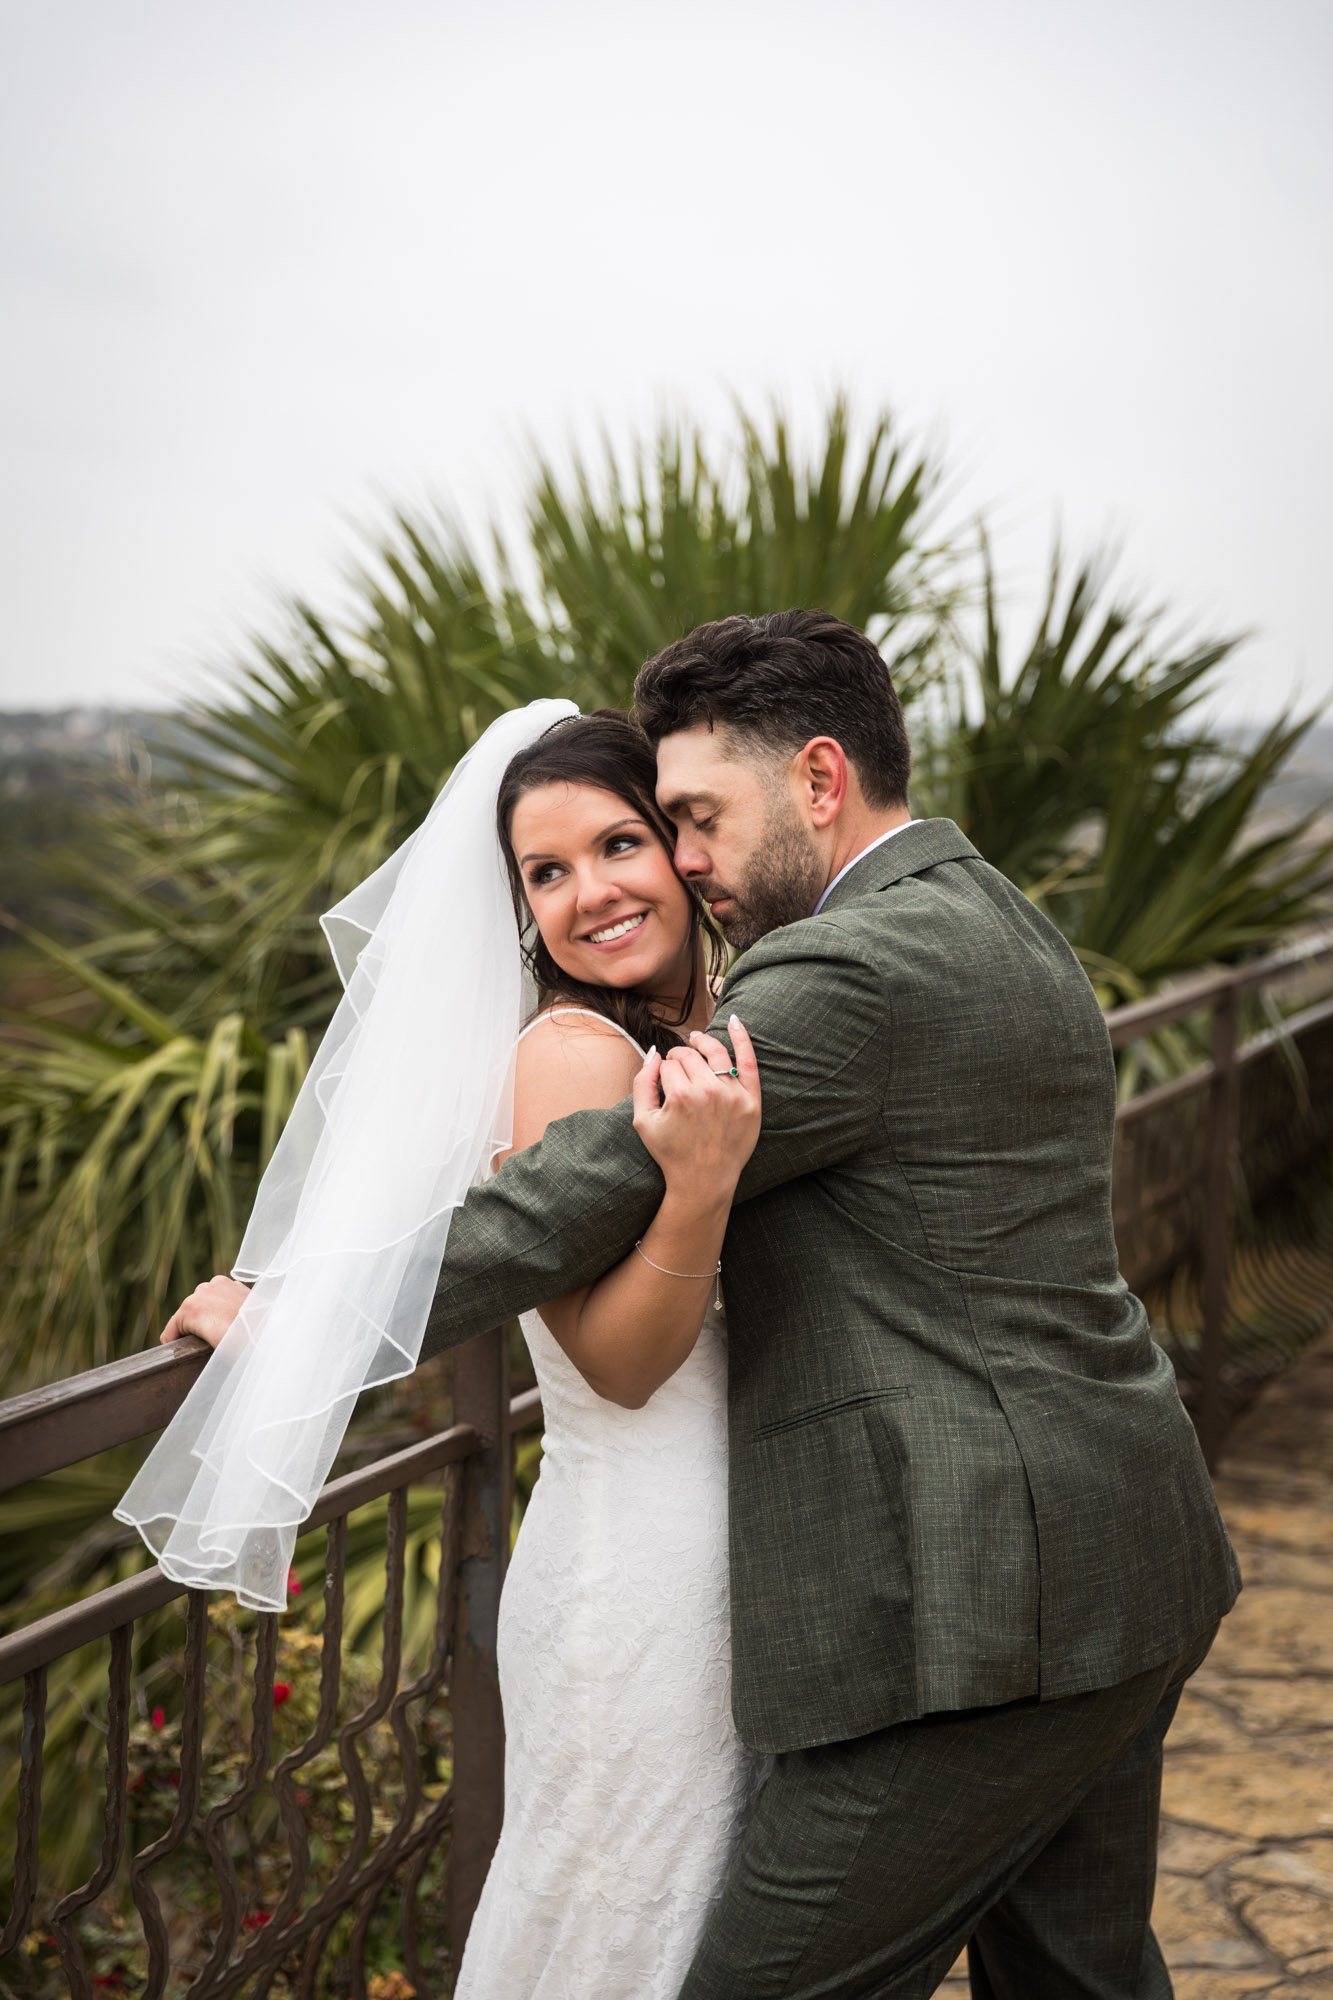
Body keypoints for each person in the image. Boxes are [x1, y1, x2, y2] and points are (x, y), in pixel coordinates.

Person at [147, 708, 769, 1998]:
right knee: (620, 1932)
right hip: (642, 1576)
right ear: (516, 908)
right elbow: (616, 1365)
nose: (589, 893)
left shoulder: (715, 1019)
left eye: (618, 843)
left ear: (683, 848)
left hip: (738, 1553)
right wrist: (701, 1190)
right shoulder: (575, 1056)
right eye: (546, 873)